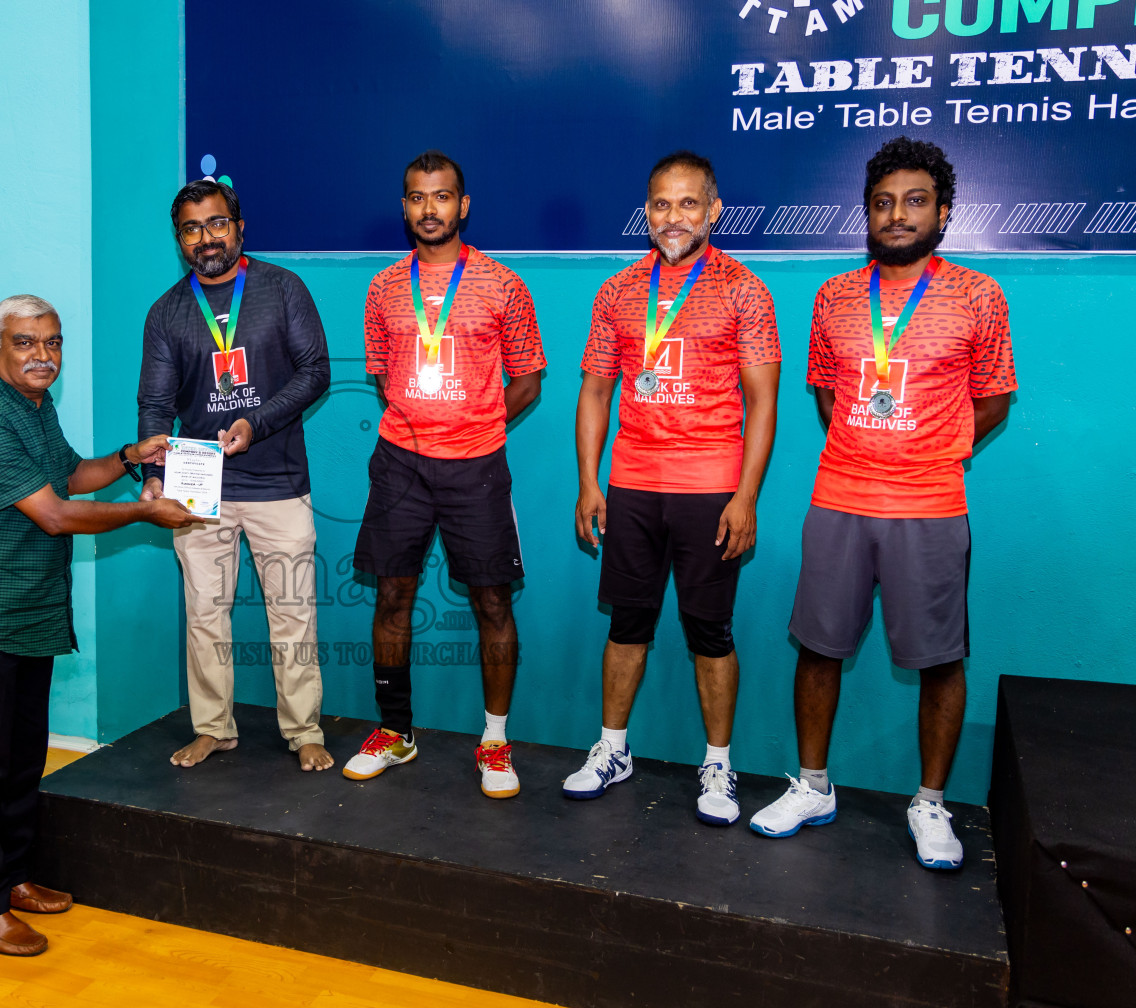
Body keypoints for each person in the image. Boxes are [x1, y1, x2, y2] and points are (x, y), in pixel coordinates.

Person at [748, 137, 1016, 870]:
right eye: (883, 203)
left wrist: (933, 445)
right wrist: (871, 441)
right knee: (819, 647)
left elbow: (994, 396)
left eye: (915, 201)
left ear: (944, 212)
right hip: (839, 496)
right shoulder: (834, 296)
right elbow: (829, 392)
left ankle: (930, 803)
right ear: (867, 213)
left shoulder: (978, 295)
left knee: (939, 659)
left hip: (931, 503)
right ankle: (812, 786)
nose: (898, 215)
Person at [0, 294, 201, 956]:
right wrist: (145, 513)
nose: (43, 356)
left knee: (23, 756)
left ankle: (12, 877)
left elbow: (72, 476)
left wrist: (129, 453)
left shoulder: (35, 406)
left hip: (31, 608)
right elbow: (55, 514)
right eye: (26, 343)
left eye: (52, 343)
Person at [570, 151, 781, 825]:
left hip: (712, 490)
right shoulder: (618, 291)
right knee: (628, 624)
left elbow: (763, 401)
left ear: (714, 210)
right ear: (647, 211)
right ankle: (612, 750)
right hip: (632, 486)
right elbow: (596, 392)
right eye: (661, 204)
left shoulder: (744, 289)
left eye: (689, 204)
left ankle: (718, 763)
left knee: (708, 631)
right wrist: (588, 483)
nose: (673, 217)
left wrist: (745, 496)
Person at [342, 150, 545, 798]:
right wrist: (422, 421)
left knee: (491, 601)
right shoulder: (381, 289)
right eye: (416, 197)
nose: (429, 208)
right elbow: (383, 374)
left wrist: (477, 420)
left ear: (463, 204)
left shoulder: (502, 284)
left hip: (476, 466)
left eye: (442, 196)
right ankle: (395, 732)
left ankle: (493, 741)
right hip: (400, 461)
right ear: (403, 206)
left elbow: (530, 377)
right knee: (393, 596)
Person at [138, 180, 334, 772]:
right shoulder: (168, 312)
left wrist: (260, 421)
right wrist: (153, 474)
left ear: (239, 227)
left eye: (216, 224)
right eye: (192, 229)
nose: (206, 238)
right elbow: (154, 402)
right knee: (205, 614)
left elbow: (315, 371)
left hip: (277, 481)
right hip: (199, 488)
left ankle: (303, 732)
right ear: (180, 241)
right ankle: (213, 728)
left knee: (293, 611)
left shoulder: (282, 289)